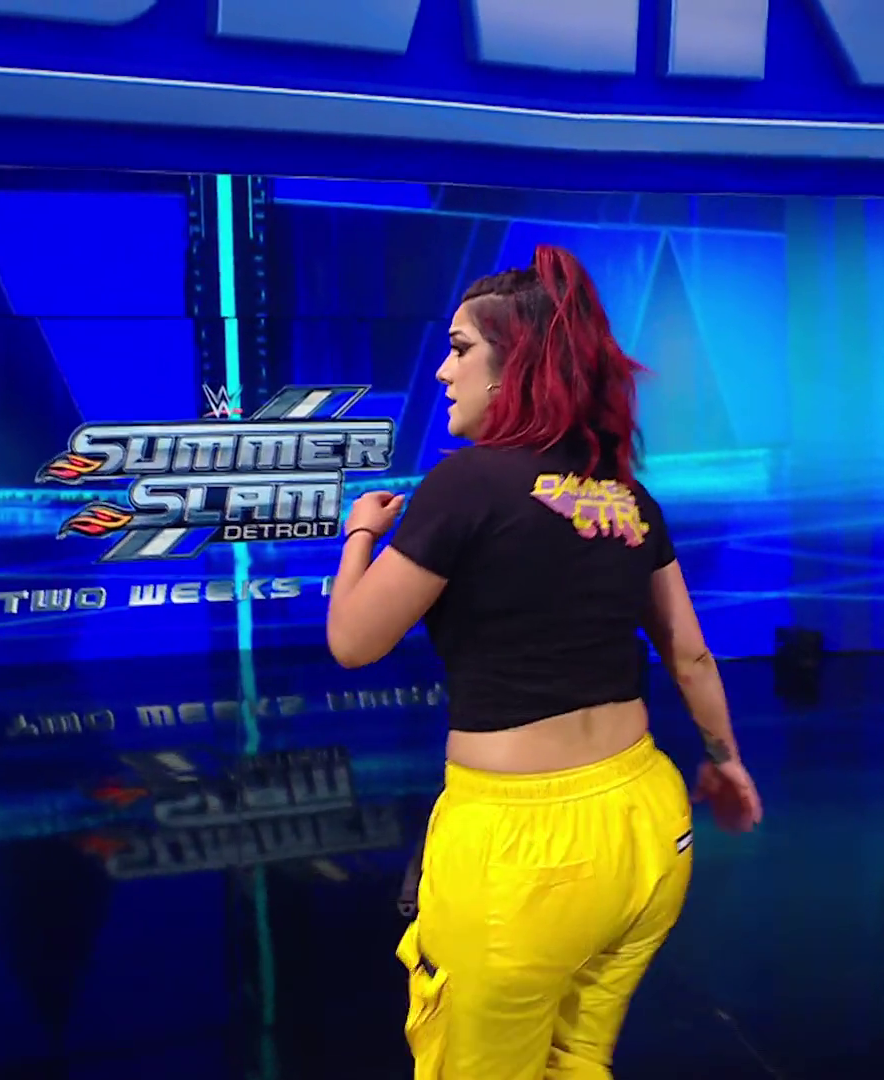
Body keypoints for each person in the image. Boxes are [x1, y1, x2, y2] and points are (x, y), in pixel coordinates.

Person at [323, 244, 763, 1079]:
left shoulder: (467, 485)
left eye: (460, 349)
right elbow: (692, 656)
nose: (443, 372)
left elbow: (353, 640)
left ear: (513, 367)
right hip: (648, 827)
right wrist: (726, 761)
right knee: (576, 1060)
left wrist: (360, 536)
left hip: (521, 857)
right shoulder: (625, 494)